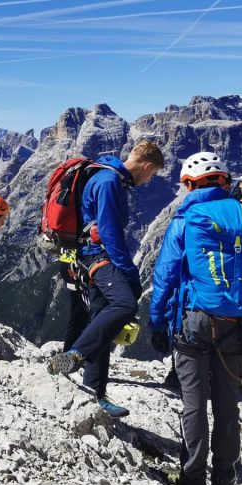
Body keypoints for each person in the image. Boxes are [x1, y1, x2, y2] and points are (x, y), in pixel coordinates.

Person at [149, 152, 242, 485]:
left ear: (188, 185)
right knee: (227, 404)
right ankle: (225, 484)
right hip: (237, 325)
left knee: (193, 401)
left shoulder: (186, 219)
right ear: (224, 182)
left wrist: (157, 322)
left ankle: (193, 480)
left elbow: (165, 276)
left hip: (194, 321)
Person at [47, 139, 165, 419]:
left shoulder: (108, 175)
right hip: (95, 255)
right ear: (146, 166)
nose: (149, 181)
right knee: (124, 305)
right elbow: (110, 233)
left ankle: (95, 393)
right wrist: (130, 272)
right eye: (152, 174)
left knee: (101, 315)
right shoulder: (109, 181)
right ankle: (74, 357)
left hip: (87, 254)